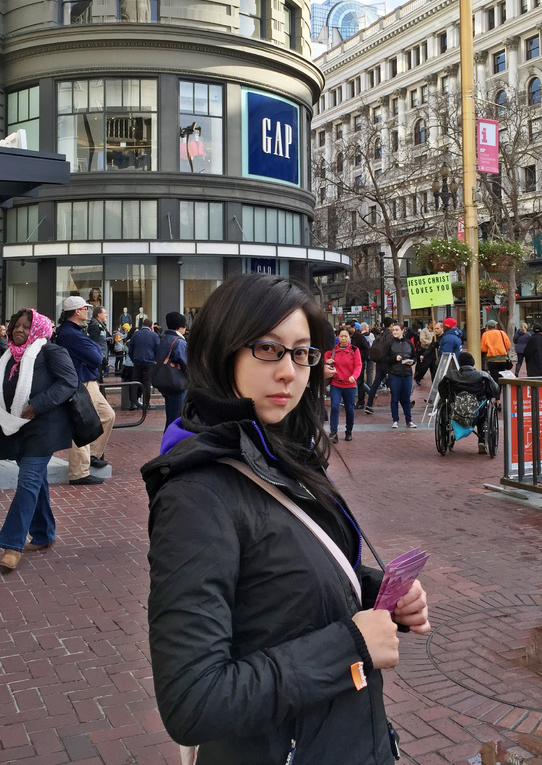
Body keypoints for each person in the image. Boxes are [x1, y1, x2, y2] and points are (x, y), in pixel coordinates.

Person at [143, 274, 429, 764]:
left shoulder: (283, 453)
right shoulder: (197, 497)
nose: (289, 372)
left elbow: (277, 576)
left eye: (301, 353)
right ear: (221, 351)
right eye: (268, 350)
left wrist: (371, 589)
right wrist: (352, 645)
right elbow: (193, 701)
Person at [0, 308, 79, 570]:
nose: (18, 330)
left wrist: (38, 404)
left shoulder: (50, 351)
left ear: (38, 329)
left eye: (25, 326)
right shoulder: (6, 357)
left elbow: (69, 382)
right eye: (15, 325)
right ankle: (43, 535)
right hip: (15, 430)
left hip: (44, 430)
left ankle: (12, 545)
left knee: (28, 481)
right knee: (36, 482)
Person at [56, 295, 115, 485]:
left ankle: (93, 455)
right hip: (80, 383)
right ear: (77, 311)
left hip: (88, 381)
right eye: (85, 308)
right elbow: (97, 357)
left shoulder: (73, 331)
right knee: (81, 424)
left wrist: (95, 351)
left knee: (108, 415)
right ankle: (79, 472)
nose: (88, 310)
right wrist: (96, 351)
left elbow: (96, 354)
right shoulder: (70, 333)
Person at [442, 351, 500, 454]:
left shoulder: (451, 375)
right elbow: (495, 389)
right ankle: (481, 441)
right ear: (473, 363)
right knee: (483, 414)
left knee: (451, 408)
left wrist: (447, 397)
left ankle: (452, 437)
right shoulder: (482, 375)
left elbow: (442, 389)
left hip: (457, 408)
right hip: (478, 409)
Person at [324, 327, 362, 443]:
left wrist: (354, 376)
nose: (343, 338)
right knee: (334, 407)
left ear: (349, 337)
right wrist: (327, 361)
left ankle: (349, 431)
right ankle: (333, 432)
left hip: (349, 385)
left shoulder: (354, 350)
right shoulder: (333, 351)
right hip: (336, 383)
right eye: (341, 336)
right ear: (338, 337)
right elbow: (325, 357)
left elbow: (358, 365)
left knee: (349, 409)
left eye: (346, 336)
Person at [154, 312, 188, 428]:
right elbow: (187, 363)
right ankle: (172, 444)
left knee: (170, 417)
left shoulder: (164, 339)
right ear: (180, 326)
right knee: (177, 419)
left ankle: (168, 441)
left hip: (166, 382)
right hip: (178, 384)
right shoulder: (179, 342)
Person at [384, 323, 416, 428]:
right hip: (394, 374)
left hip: (407, 373)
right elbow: (384, 358)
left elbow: (414, 357)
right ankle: (395, 420)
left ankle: (409, 420)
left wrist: (412, 362)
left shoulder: (408, 343)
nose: (395, 332)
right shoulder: (389, 344)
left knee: (406, 398)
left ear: (403, 330)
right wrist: (394, 358)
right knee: (395, 398)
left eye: (397, 330)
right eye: (393, 330)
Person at [128, 317, 160, 411]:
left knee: (134, 382)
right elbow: (158, 349)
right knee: (147, 383)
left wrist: (134, 359)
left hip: (137, 361)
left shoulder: (136, 335)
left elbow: (131, 349)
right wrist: (154, 359)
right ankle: (146, 403)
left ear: (142, 325)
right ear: (151, 326)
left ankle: (133, 403)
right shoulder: (154, 335)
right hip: (149, 362)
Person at [363, 318, 395, 413]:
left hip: (379, 362)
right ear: (391, 325)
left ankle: (369, 404)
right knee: (395, 384)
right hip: (388, 362)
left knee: (376, 383)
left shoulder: (380, 335)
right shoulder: (390, 336)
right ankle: (405, 403)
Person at [349, 323, 370, 410]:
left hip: (359, 362)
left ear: (354, 328)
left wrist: (360, 357)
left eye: (349, 327)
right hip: (351, 362)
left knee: (360, 382)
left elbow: (366, 348)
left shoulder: (359, 337)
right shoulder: (351, 337)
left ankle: (361, 402)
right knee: (357, 382)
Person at [87, 305, 110, 379]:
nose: (106, 315)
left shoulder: (101, 326)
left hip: (100, 357)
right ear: (99, 315)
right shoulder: (95, 327)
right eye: (105, 313)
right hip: (98, 359)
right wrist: (104, 360)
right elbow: (95, 344)